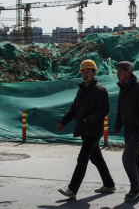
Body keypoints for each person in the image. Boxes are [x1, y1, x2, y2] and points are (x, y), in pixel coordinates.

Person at [56, 59, 116, 199]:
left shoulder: (100, 90)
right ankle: (109, 184)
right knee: (96, 159)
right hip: (84, 130)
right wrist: (63, 122)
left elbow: (103, 110)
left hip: (93, 131)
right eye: (83, 72)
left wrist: (88, 119)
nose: (85, 75)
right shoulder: (82, 89)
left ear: (94, 73)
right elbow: (74, 108)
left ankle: (72, 189)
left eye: (88, 72)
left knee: (82, 159)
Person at [113, 61, 139, 202]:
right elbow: (120, 109)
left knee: (127, 158)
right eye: (117, 71)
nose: (117, 74)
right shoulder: (123, 87)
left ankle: (136, 189)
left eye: (120, 71)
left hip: (138, 130)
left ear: (128, 72)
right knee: (136, 160)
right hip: (128, 130)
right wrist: (118, 126)